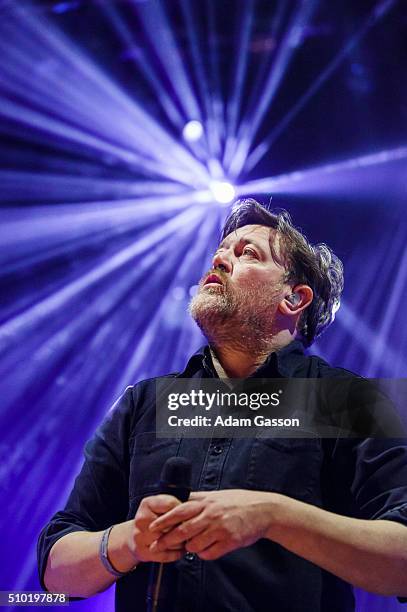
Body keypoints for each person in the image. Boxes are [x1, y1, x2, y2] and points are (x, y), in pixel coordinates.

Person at [38, 199, 407, 611]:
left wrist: (272, 516)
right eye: (220, 252)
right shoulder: (143, 403)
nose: (219, 259)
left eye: (247, 252)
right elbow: (57, 572)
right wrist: (130, 541)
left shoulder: (348, 402)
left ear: (294, 298)